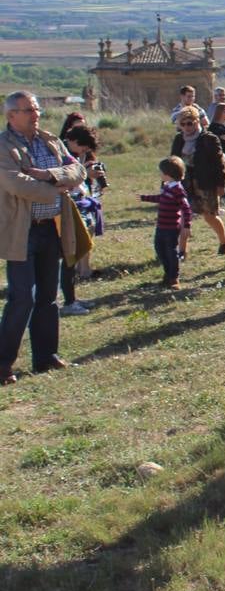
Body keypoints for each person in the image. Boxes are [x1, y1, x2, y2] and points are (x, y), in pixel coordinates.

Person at [1, 91, 86, 384]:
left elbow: (77, 169)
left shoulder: (50, 140)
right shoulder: (3, 146)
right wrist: (58, 187)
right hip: (21, 230)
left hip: (51, 226)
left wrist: (47, 174)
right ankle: (2, 365)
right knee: (21, 298)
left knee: (49, 297)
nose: (35, 114)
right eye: (28, 110)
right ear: (11, 115)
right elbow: (15, 183)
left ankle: (46, 357)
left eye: (36, 109)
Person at [170, 106, 225, 257]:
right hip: (185, 184)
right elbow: (172, 162)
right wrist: (167, 183)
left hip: (205, 182)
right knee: (183, 217)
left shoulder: (209, 139)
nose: (186, 127)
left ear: (197, 121)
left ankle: (224, 239)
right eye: (182, 124)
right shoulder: (179, 139)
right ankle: (182, 251)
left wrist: (221, 185)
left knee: (209, 216)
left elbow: (219, 163)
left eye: (189, 123)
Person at [58, 124, 106, 316]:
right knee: (67, 257)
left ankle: (71, 298)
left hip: (77, 207)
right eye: (84, 148)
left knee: (72, 255)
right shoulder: (60, 154)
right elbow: (65, 180)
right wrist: (86, 174)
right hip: (63, 211)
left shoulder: (72, 154)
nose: (85, 152)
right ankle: (67, 302)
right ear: (74, 142)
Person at [139, 156, 193, 289]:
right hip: (161, 226)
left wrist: (186, 226)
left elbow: (186, 208)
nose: (160, 175)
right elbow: (161, 198)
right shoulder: (167, 186)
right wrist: (145, 198)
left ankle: (174, 278)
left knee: (170, 252)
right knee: (160, 249)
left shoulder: (178, 190)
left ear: (168, 174)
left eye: (161, 172)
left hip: (171, 228)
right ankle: (168, 273)